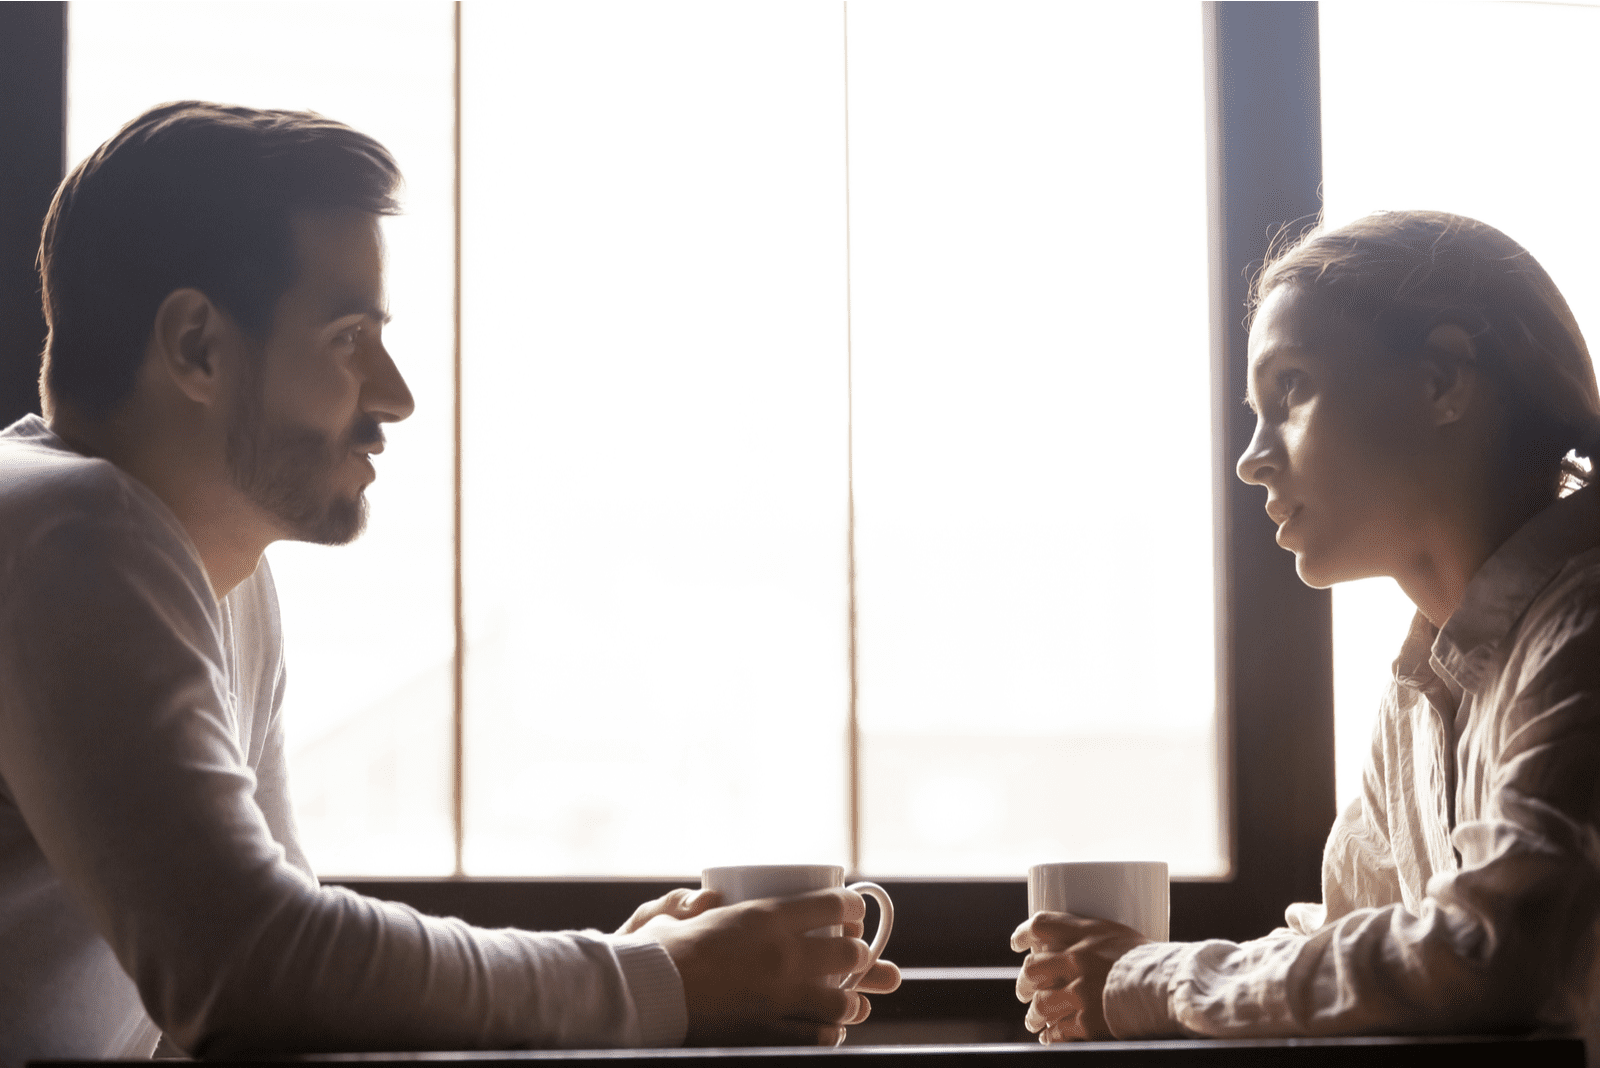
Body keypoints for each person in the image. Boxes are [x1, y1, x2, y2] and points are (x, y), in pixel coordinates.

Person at [0, 101, 897, 1061]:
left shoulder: (213, 574)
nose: (395, 395)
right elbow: (253, 966)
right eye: (348, 339)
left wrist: (636, 972)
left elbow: (280, 1001)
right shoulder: (71, 530)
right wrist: (661, 981)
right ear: (197, 348)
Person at [1013, 210, 1600, 1050]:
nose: (1252, 458)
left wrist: (1151, 977)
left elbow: (1491, 950)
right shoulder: (1421, 690)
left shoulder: (1582, 632)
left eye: (1290, 387)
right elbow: (1344, 947)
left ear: (1442, 380)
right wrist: (1126, 975)